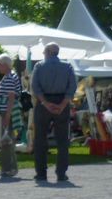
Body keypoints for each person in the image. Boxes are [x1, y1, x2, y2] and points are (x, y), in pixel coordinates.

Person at [31, 42, 77, 183]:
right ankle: (61, 173)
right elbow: (72, 86)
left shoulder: (39, 66)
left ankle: (41, 173)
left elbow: (35, 86)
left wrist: (45, 103)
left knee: (40, 139)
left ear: (47, 52)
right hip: (62, 100)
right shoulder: (67, 66)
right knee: (62, 140)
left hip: (43, 101)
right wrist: (63, 104)